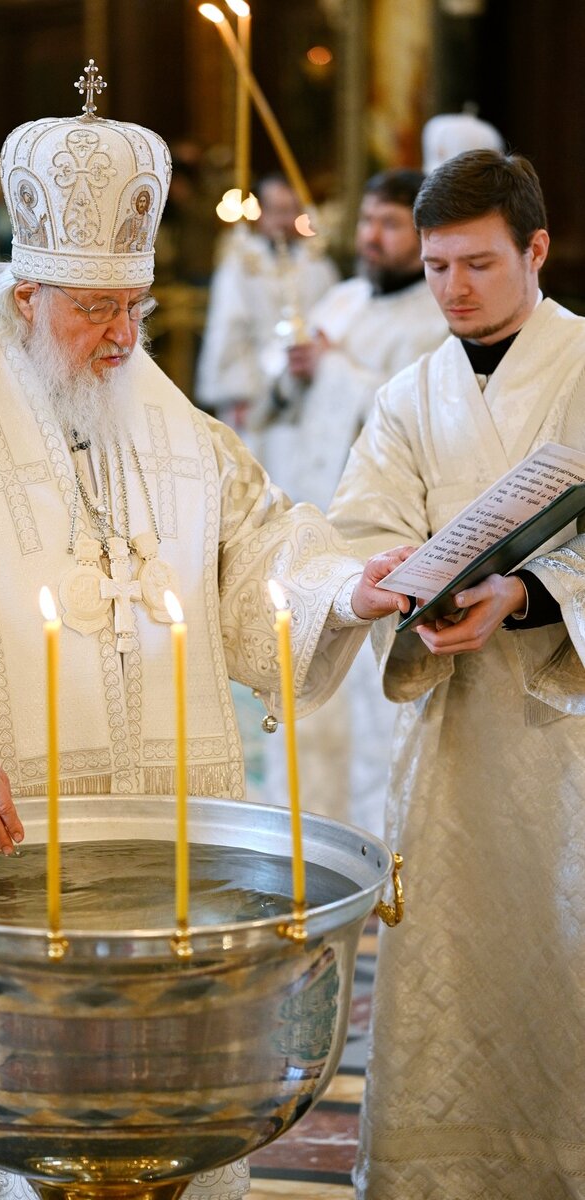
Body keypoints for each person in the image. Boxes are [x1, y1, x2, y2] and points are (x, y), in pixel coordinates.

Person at [0, 80, 410, 1200]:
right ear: (27, 297)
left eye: (136, 310)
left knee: (158, 1104)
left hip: (155, 849)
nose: (122, 337)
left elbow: (258, 549)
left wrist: (348, 591)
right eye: (92, 311)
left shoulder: (174, 427)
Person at [328, 149, 585, 1197]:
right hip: (452, 726)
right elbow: (364, 526)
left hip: (566, 726)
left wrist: (527, 595)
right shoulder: (406, 393)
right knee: (454, 952)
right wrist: (402, 584)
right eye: (436, 268)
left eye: (478, 265)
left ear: (536, 248)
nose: (454, 291)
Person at [269, 169, 447, 835]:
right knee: (308, 694)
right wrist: (288, 369)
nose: (372, 236)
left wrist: (333, 368)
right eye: (369, 220)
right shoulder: (340, 299)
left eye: (391, 224)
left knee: (373, 706)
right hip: (310, 524)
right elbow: (284, 394)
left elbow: (411, 408)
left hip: (378, 536)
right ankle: (307, 842)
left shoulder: (433, 317)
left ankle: (380, 848)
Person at [194, 173, 339, 467]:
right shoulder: (242, 264)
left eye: (290, 210)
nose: (284, 220)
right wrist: (236, 395)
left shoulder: (317, 265)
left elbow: (332, 324)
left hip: (307, 388)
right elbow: (228, 330)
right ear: (260, 212)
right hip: (254, 391)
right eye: (277, 211)